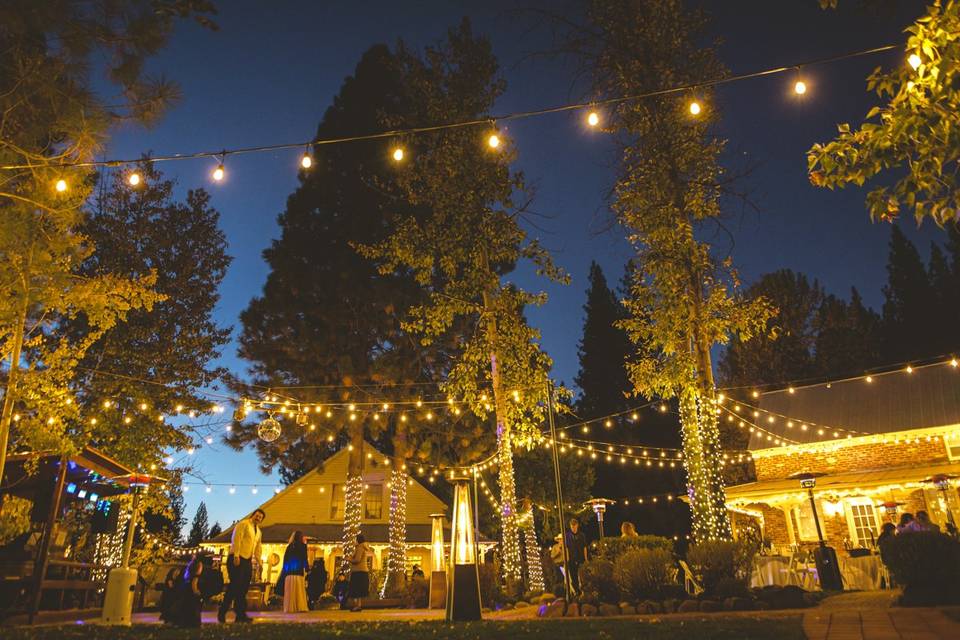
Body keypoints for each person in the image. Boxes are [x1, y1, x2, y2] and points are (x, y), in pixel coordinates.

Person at [218, 508, 264, 624]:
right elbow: (236, 539)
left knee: (243, 589)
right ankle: (222, 612)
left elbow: (258, 548)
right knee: (234, 586)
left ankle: (240, 615)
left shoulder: (258, 531)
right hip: (237, 558)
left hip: (247, 560)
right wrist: (236, 555)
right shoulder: (243, 524)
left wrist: (259, 562)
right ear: (253, 515)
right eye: (257, 515)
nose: (258, 518)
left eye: (260, 517)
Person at [280, 530, 309, 613]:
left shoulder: (289, 547)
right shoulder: (303, 546)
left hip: (289, 573)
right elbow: (304, 558)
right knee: (299, 591)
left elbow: (285, 560)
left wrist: (285, 570)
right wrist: (307, 568)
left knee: (290, 592)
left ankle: (290, 607)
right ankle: (300, 606)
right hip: (298, 572)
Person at [172, 556, 203, 628]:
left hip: (187, 595)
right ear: (197, 568)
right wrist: (197, 592)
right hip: (192, 596)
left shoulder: (188, 576)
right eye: (201, 567)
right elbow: (194, 585)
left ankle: (184, 623)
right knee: (193, 610)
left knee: (186, 609)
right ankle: (193, 623)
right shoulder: (196, 576)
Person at [348, 534, 372, 612]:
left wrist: (349, 559)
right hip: (362, 571)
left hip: (358, 571)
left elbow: (357, 560)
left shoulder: (360, 548)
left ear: (358, 540)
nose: (355, 541)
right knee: (359, 590)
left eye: (355, 539)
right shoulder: (363, 547)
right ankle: (358, 605)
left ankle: (357, 606)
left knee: (356, 589)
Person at [564, 518, 588, 597]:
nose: (573, 528)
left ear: (577, 526)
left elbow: (584, 547)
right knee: (573, 577)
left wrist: (586, 558)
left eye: (574, 526)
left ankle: (583, 591)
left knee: (582, 576)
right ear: (570, 526)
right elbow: (566, 548)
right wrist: (567, 559)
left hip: (580, 558)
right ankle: (577, 592)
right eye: (572, 526)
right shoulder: (567, 536)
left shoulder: (581, 535)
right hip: (571, 559)